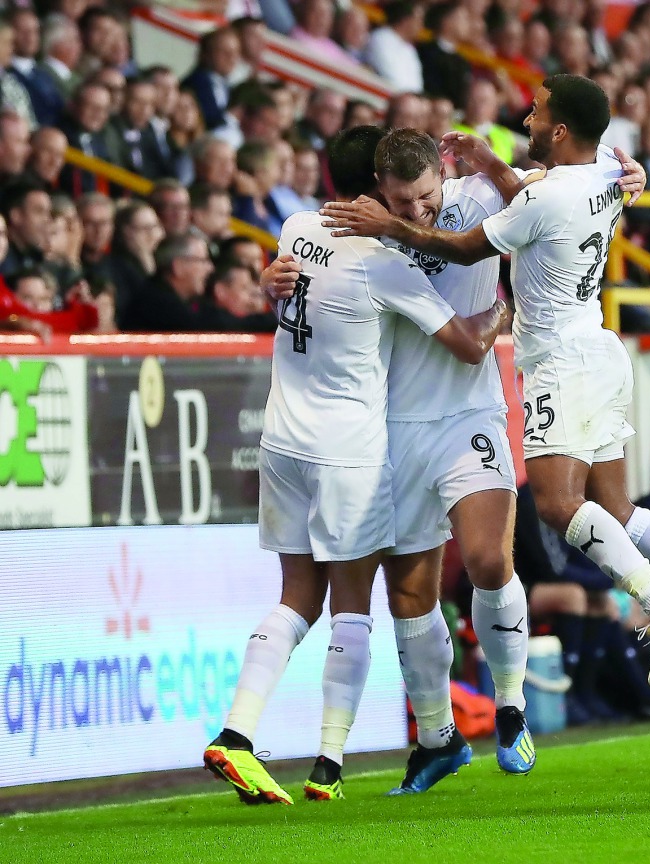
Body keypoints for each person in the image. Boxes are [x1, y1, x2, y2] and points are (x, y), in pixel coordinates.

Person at [320, 74, 650, 690]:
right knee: (616, 509)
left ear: (558, 130)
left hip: (561, 360)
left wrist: (392, 226)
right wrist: (493, 163)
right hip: (602, 349)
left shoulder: (548, 195)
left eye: (534, 113)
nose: (525, 119)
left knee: (557, 503)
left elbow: (462, 248)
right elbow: (534, 198)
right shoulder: (607, 168)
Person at [264, 127, 648, 792]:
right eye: (400, 202)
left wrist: (629, 176)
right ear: (378, 192)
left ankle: (510, 706)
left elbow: (569, 188)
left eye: (423, 197)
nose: (414, 212)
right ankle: (439, 740)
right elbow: (303, 273)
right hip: (393, 430)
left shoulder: (478, 198)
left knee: (489, 559)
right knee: (411, 595)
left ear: (443, 178)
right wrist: (269, 276)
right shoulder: (367, 232)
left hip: (470, 416)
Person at [202, 126, 507, 805]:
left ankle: (237, 736)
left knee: (295, 599)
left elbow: (286, 280)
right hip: (347, 450)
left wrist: (263, 278)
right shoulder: (382, 260)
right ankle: (328, 765)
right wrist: (498, 311)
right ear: (375, 189)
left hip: (280, 440)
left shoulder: (294, 227)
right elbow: (464, 344)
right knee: (350, 607)